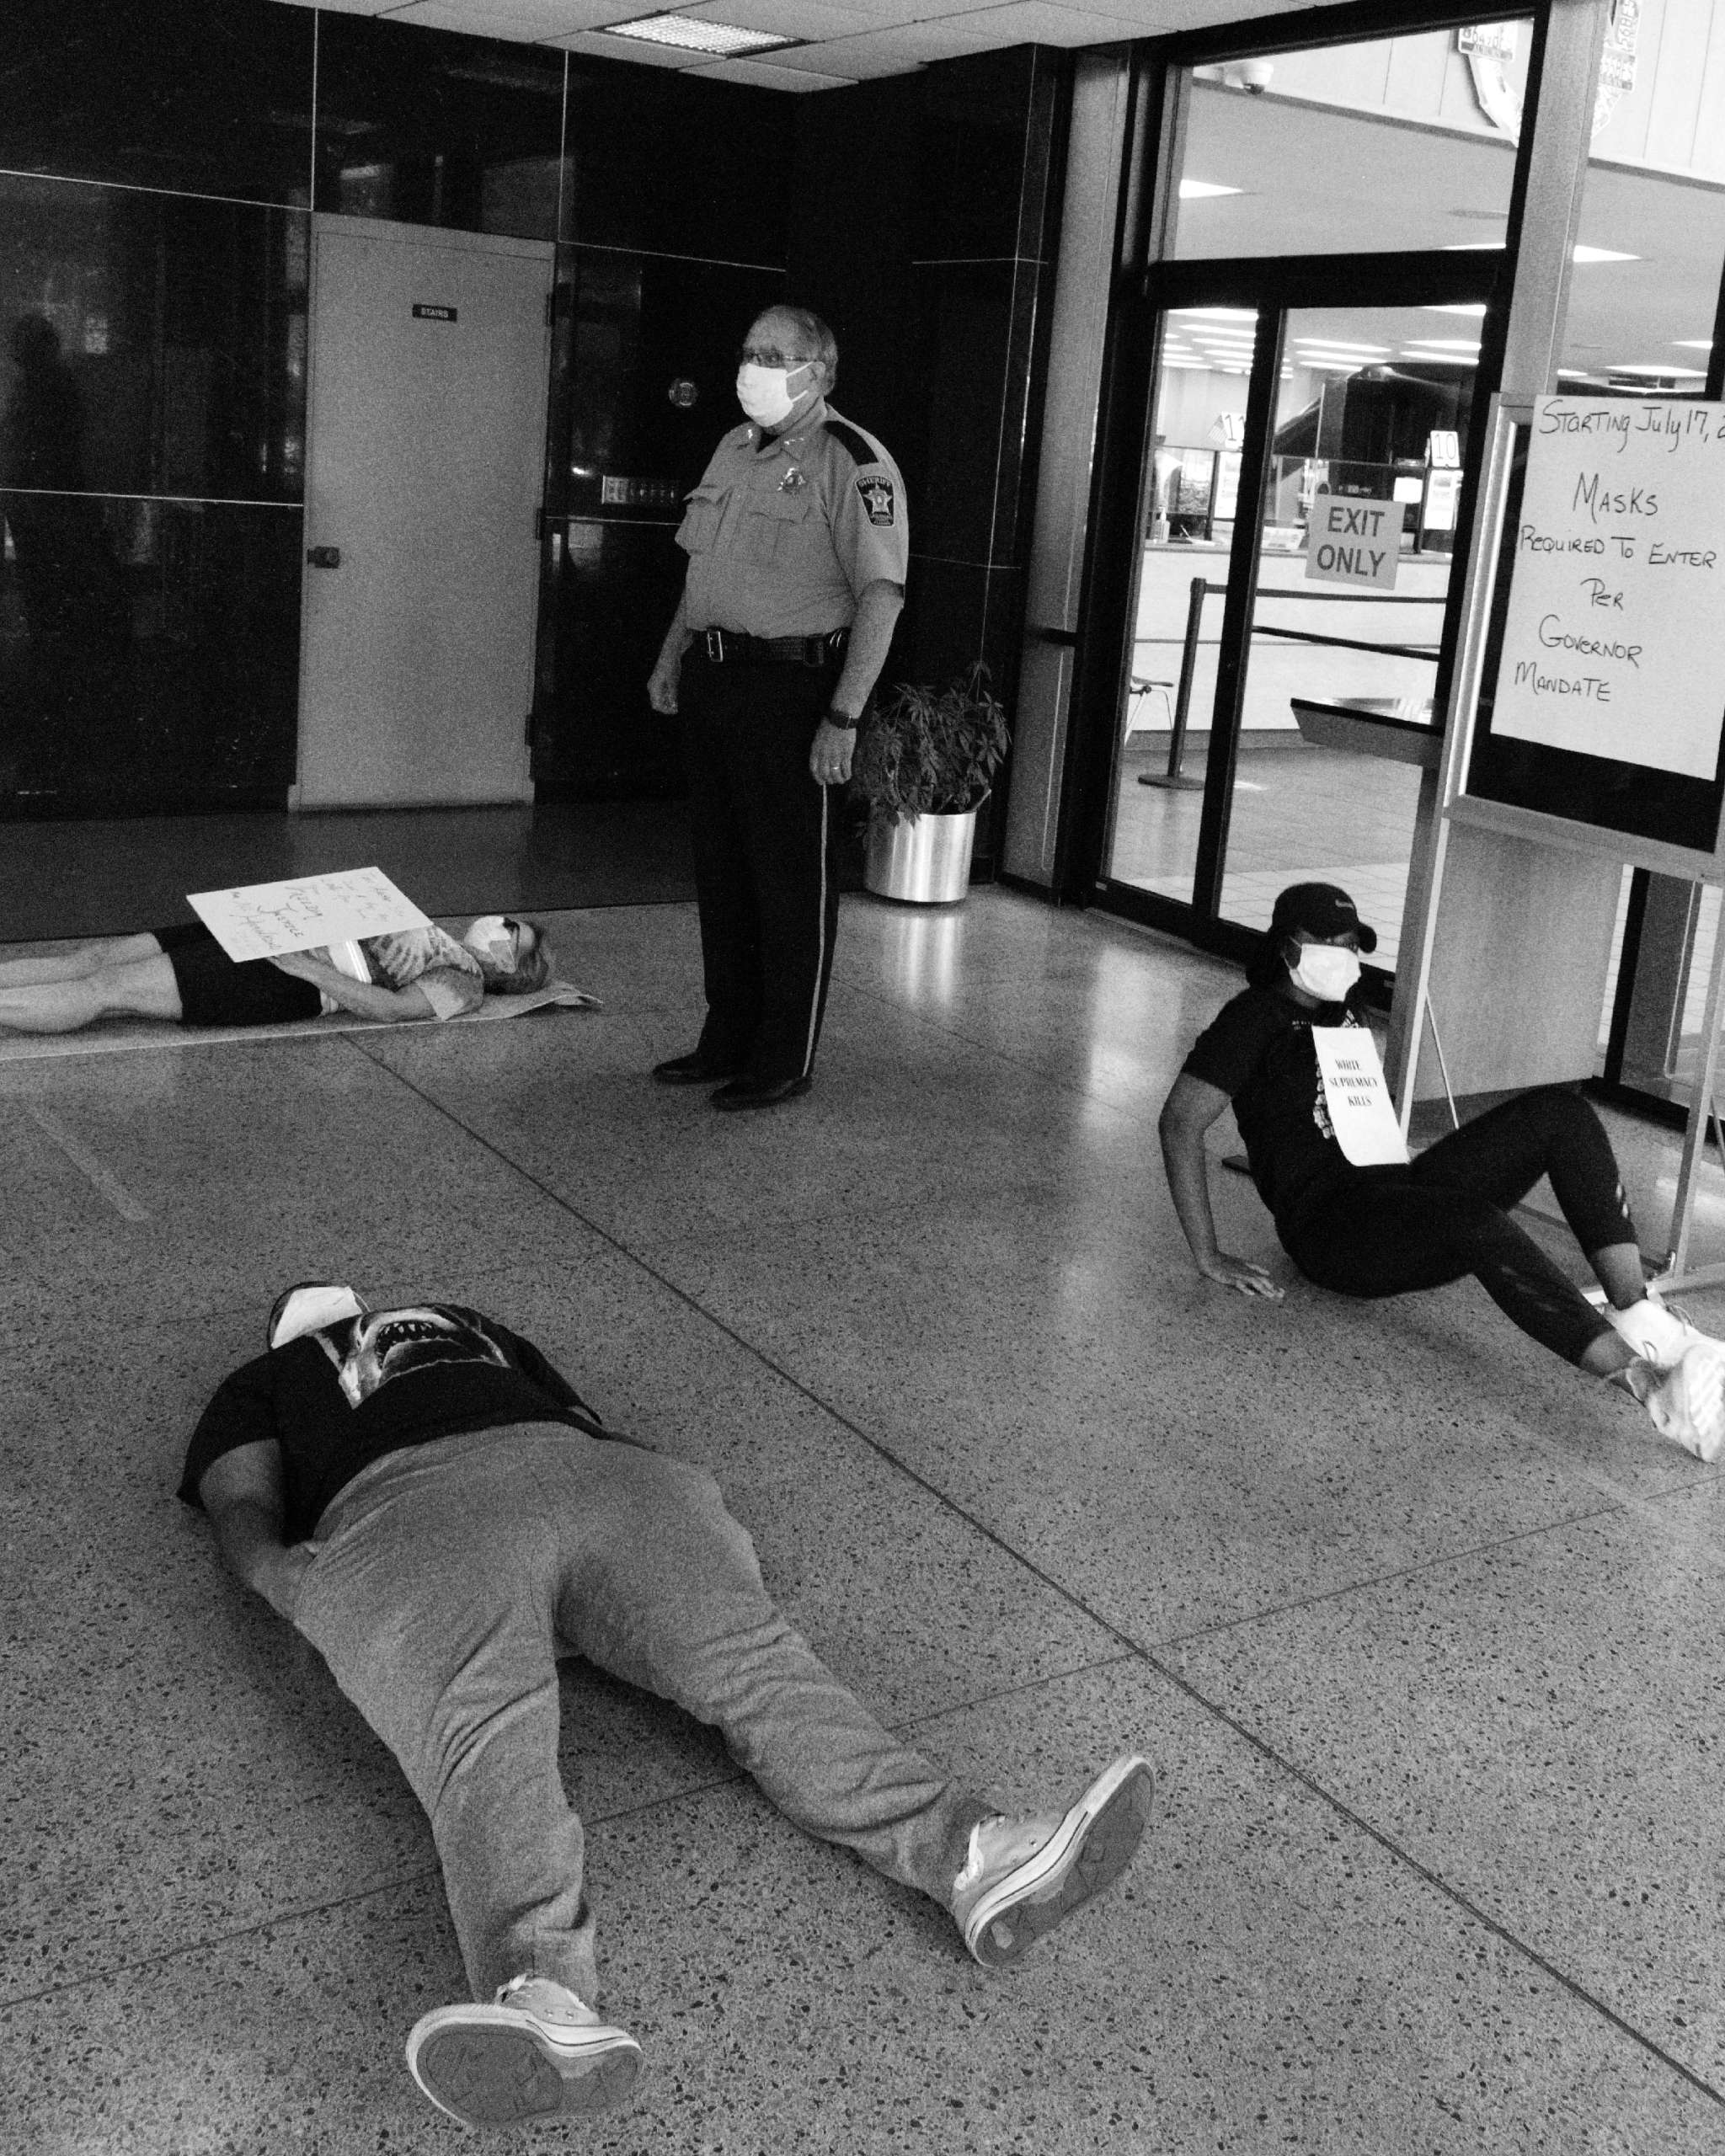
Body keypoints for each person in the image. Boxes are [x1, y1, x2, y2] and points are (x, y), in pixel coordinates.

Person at [179, 1283, 1156, 2132]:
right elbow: (580, 1411)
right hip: (585, 1482)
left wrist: (287, 1579)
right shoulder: (455, 1327)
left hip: (422, 1519)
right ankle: (976, 1852)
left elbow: (239, 1500)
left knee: (483, 1741)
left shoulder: (265, 1376)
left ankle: (543, 1993)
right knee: (758, 1670)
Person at [1158, 880, 1725, 1463]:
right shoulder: (1250, 1020)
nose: (1340, 952)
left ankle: (1638, 1314)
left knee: (1561, 1114)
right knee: (1475, 1223)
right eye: (1323, 940)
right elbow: (1179, 1122)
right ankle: (1653, 1390)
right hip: (1332, 1233)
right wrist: (1209, 1254)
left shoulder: (1342, 1008)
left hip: (1394, 1192)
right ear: (1285, 947)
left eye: (1350, 941)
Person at [646, 305, 908, 1112]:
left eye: (776, 354)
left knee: (789, 882)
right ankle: (725, 1035)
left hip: (796, 694)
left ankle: (782, 1053)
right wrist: (670, 660)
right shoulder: (732, 446)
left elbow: (883, 596)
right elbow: (701, 576)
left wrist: (844, 716)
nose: (753, 366)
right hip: (717, 680)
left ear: (820, 372)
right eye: (750, 350)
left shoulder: (853, 462)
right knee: (723, 873)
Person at [0, 913, 550, 1034]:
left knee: (105, 991)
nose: (498, 922)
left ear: (509, 963)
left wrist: (305, 967)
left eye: (511, 931)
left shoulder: (464, 980)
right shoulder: (431, 933)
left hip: (285, 975)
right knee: (92, 960)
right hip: (269, 931)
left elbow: (393, 1009)